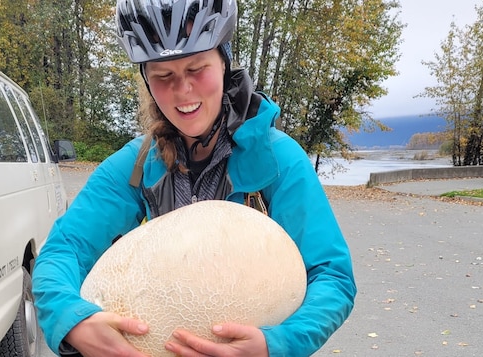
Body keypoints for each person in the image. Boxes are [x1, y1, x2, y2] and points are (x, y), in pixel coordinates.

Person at [32, 0, 356, 356]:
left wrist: (275, 345)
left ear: (224, 62)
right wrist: (72, 319)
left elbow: (331, 276)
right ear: (146, 79)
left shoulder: (279, 161)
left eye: (196, 68)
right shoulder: (137, 163)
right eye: (163, 75)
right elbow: (65, 249)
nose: (183, 90)